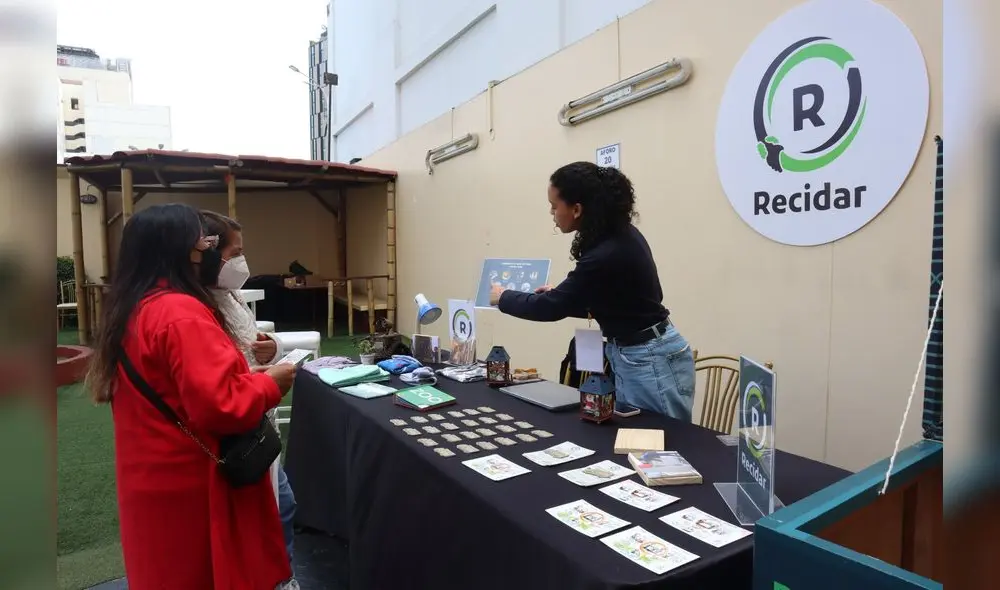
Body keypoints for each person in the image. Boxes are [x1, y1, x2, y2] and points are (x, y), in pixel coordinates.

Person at [86, 203, 298, 590]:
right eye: (203, 247)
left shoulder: (135, 306)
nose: (208, 255)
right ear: (182, 251)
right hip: (192, 482)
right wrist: (272, 384)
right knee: (201, 571)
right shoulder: (180, 312)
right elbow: (221, 406)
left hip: (152, 474)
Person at [490, 162, 695, 421]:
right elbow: (621, 299)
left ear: (576, 209)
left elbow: (552, 308)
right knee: (637, 437)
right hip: (638, 352)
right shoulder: (618, 236)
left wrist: (503, 297)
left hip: (647, 358)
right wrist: (568, 295)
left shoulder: (606, 252)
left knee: (659, 443)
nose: (552, 213)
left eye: (555, 206)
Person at [200, 210, 298, 574]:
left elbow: (250, 339)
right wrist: (264, 379)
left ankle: (279, 575)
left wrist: (270, 346)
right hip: (239, 429)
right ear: (208, 251)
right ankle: (275, 577)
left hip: (257, 420)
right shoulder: (195, 306)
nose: (241, 261)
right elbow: (216, 379)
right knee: (277, 508)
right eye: (235, 251)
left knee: (282, 506)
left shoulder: (230, 295)